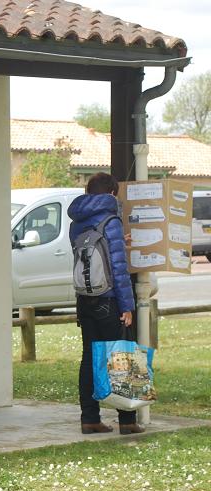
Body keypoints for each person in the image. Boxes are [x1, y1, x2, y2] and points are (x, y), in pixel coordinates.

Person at [68, 172, 144, 435]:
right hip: (110, 300)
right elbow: (119, 269)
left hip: (85, 300)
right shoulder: (111, 219)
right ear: (111, 193)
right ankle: (128, 421)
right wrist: (127, 306)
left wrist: (117, 243)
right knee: (121, 356)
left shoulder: (76, 221)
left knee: (89, 358)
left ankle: (89, 419)